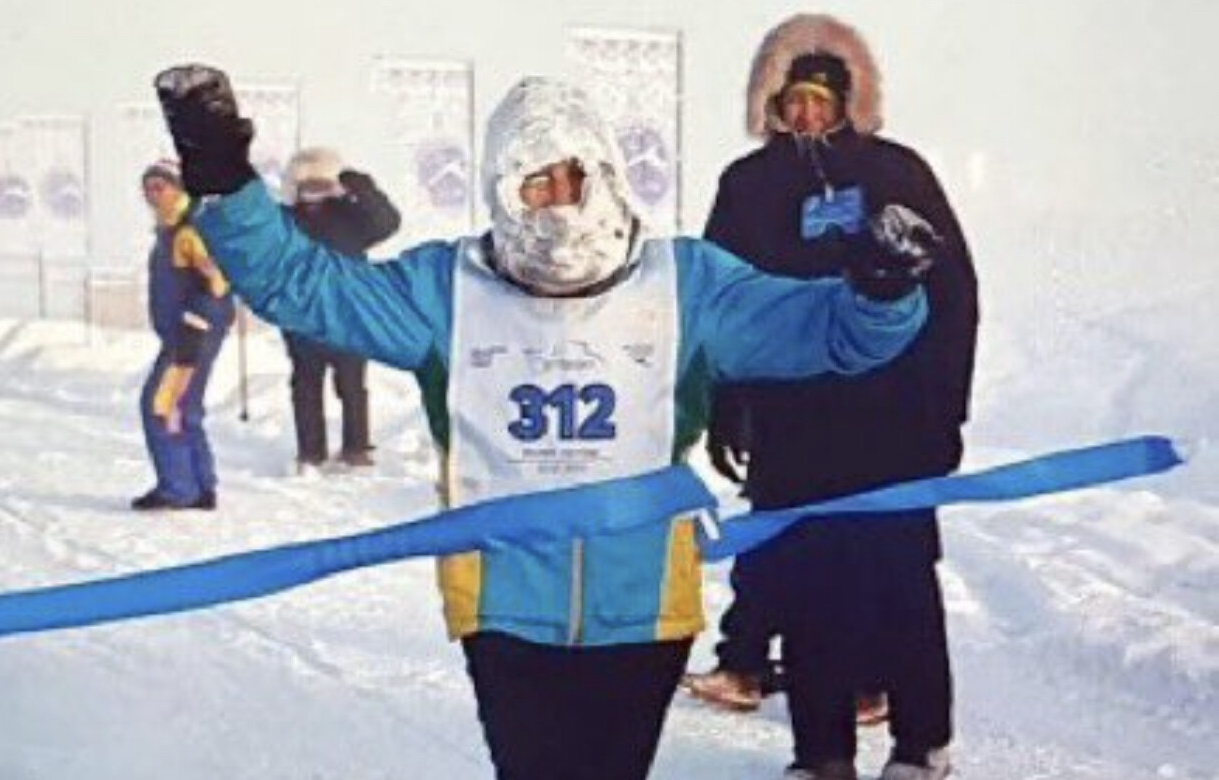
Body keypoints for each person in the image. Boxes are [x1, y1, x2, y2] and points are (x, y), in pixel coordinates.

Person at [153, 65, 934, 780]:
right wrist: (221, 174)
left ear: (605, 174)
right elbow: (300, 286)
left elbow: (832, 333)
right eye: (534, 184)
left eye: (572, 177)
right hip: (505, 606)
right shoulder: (447, 291)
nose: (557, 201)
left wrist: (882, 289)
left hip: (642, 610)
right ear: (502, 191)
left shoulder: (684, 284)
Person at [686, 14, 979, 780]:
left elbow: (953, 295)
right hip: (793, 423)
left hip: (894, 423)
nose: (808, 115)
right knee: (806, 585)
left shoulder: (897, 174)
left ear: (850, 103)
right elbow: (720, 303)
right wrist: (724, 403)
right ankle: (821, 754)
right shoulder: (747, 186)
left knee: (901, 583)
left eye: (822, 100)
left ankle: (921, 745)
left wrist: (945, 409)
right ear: (772, 105)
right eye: (795, 101)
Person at [279, 147, 401, 472]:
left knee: (352, 385)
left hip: (348, 313)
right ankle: (310, 452)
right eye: (307, 186)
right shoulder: (285, 220)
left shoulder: (351, 216)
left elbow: (387, 223)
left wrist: (363, 188)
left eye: (321, 185)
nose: (314, 193)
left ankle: (356, 448)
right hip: (301, 315)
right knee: (305, 385)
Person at [132, 159, 235, 511]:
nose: (153, 194)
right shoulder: (172, 228)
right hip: (186, 332)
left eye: (160, 186)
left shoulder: (188, 231)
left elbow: (217, 282)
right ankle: (201, 485)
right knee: (184, 405)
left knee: (161, 404)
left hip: (191, 334)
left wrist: (196, 322)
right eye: (148, 188)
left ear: (179, 189)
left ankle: (178, 488)